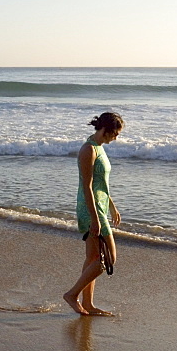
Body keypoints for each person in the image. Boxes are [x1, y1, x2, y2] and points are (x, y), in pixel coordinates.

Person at [63, 112, 124, 316]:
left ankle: (88, 304)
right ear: (105, 129)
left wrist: (112, 205)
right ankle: (72, 295)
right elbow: (87, 187)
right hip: (91, 209)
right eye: (115, 133)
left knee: (92, 258)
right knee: (108, 259)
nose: (116, 137)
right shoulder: (88, 150)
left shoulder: (99, 148)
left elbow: (101, 184)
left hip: (101, 205)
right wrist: (96, 218)